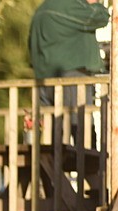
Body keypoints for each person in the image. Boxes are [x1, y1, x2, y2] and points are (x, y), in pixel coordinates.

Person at [29, 0, 110, 146]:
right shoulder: (69, 5)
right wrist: (94, 3)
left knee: (53, 134)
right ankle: (91, 168)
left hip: (43, 80)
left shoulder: (42, 9)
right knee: (81, 129)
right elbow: (100, 16)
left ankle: (53, 167)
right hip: (72, 78)